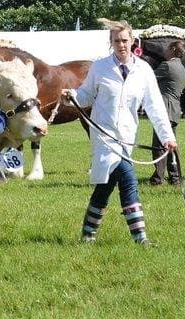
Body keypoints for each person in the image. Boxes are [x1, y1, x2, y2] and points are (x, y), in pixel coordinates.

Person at [61, 18, 177, 246]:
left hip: (127, 137)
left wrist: (167, 137)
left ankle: (87, 235)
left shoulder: (143, 70)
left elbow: (155, 106)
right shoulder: (100, 67)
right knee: (129, 179)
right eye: (116, 41)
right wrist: (72, 96)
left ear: (132, 41)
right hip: (104, 136)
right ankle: (141, 239)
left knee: (104, 188)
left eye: (124, 40)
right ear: (110, 43)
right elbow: (86, 95)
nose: (121, 45)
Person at [149, 41, 185, 185]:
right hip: (175, 110)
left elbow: (149, 78)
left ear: (173, 49)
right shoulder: (181, 67)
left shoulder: (167, 66)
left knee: (159, 146)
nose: (164, 51)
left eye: (167, 48)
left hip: (164, 110)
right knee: (170, 145)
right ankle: (175, 176)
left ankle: (158, 178)